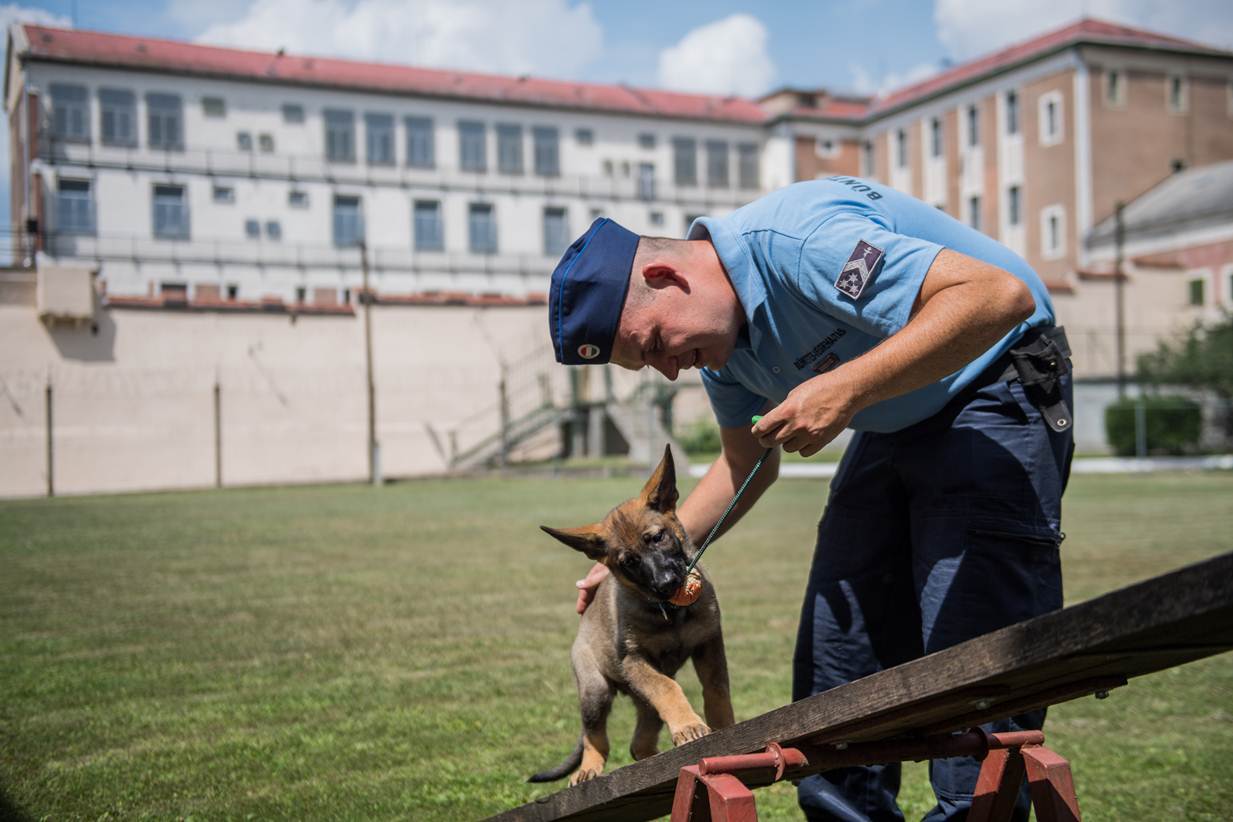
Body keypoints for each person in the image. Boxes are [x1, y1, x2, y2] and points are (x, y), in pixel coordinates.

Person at [546, 176, 1074, 821]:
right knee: (838, 655)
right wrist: (630, 554)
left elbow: (996, 296)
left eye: (653, 344)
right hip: (888, 420)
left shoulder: (799, 242)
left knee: (974, 659)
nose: (668, 369)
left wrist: (845, 388)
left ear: (666, 276)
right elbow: (745, 464)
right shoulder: (720, 352)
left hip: (990, 389)